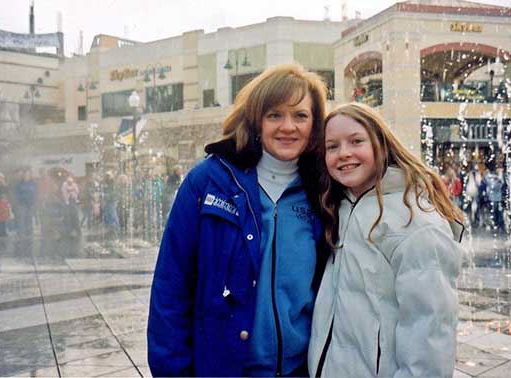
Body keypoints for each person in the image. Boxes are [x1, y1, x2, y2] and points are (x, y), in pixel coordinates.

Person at [147, 64, 327, 377]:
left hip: (302, 370)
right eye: (275, 115)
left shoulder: (323, 189)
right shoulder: (208, 181)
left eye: (300, 115)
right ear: (257, 120)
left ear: (314, 124)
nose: (288, 126)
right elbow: (171, 286)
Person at [308, 103, 463, 378]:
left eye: (356, 141)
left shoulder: (416, 223)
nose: (344, 153)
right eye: (332, 146)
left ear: (381, 144)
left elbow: (430, 333)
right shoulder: (339, 208)